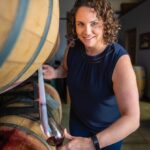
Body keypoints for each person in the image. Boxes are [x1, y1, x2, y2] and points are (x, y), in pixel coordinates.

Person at [43, 0, 140, 149]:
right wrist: (55, 72)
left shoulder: (119, 60)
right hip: (78, 123)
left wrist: (91, 143)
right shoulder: (73, 47)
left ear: (105, 22)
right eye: (80, 24)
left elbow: (132, 119)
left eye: (94, 23)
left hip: (108, 132)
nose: (87, 31)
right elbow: (66, 69)